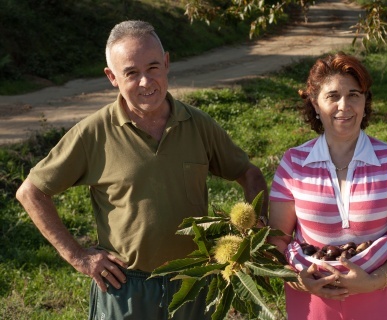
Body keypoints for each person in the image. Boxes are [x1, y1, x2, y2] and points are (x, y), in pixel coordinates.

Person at [16, 20, 268, 320]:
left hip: (192, 281)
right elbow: (31, 192)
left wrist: (251, 230)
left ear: (166, 63)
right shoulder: (93, 133)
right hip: (126, 288)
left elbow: (250, 174)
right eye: (131, 73)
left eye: (152, 68)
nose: (146, 82)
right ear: (112, 77)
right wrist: (79, 257)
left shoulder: (197, 124)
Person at [268, 52, 387, 320]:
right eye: (332, 96)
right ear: (315, 104)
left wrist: (373, 281)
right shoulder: (294, 163)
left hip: (381, 301)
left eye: (354, 95)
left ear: (365, 102)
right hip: (313, 305)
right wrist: (300, 281)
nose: (345, 106)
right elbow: (277, 241)